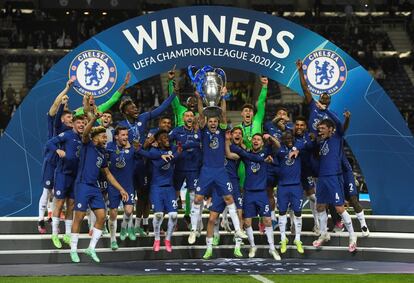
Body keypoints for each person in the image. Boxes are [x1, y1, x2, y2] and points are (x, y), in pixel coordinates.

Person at [191, 87, 247, 259]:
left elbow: (223, 115)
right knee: (198, 199)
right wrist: (200, 99)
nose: (213, 123)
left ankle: (238, 230)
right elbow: (201, 115)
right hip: (207, 169)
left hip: (220, 171)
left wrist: (223, 97)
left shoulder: (223, 131)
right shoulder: (204, 131)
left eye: (215, 121)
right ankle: (194, 230)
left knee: (230, 199)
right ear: (207, 123)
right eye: (211, 122)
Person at [70, 114, 128, 263]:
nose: (105, 139)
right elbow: (85, 133)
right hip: (82, 185)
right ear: (95, 138)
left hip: (94, 187)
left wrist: (121, 189)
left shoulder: (102, 153)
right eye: (103, 137)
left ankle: (91, 248)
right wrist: (93, 119)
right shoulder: (87, 144)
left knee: (102, 217)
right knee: (79, 217)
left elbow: (108, 174)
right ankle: (73, 250)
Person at [117, 88, 176, 236]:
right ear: (125, 111)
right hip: (129, 163)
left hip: (143, 162)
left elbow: (161, 108)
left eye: (136, 106)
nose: (135, 108)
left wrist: (173, 94)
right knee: (130, 195)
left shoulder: (143, 118)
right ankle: (127, 226)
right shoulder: (121, 125)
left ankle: (140, 225)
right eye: (132, 108)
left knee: (143, 195)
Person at [311, 106, 357, 253]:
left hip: (334, 177)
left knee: (339, 208)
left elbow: (339, 124)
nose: (320, 130)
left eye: (323, 128)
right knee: (320, 207)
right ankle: (324, 234)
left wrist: (327, 111)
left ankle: (352, 236)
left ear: (331, 129)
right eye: (319, 128)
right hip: (322, 178)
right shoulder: (321, 142)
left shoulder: (337, 137)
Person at [229, 134, 281, 260]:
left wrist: (270, 137)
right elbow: (232, 149)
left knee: (268, 221)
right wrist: (236, 141)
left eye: (259, 139)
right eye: (254, 139)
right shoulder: (246, 155)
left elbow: (278, 146)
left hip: (262, 193)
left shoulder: (265, 152)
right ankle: (253, 246)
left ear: (262, 143)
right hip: (248, 193)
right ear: (251, 142)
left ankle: (272, 248)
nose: (256, 141)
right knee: (247, 222)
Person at [137, 130, 183, 252]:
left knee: (173, 215)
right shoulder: (154, 152)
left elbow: (180, 151)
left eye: (167, 137)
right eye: (163, 137)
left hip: (169, 188)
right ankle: (157, 239)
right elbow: (157, 164)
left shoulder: (171, 148)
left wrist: (177, 152)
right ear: (158, 141)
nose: (167, 139)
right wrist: (167, 157)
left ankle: (167, 239)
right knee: (158, 215)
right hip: (156, 187)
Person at [37, 80, 73, 233]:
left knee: (57, 193)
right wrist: (66, 89)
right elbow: (55, 104)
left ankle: (52, 217)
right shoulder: (54, 120)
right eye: (63, 107)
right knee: (47, 190)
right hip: (52, 160)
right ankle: (40, 220)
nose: (64, 106)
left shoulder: (71, 127)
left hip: (63, 163)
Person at [106, 126, 138, 250]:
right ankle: (113, 239)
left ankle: (124, 226)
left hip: (128, 185)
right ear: (116, 136)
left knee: (129, 211)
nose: (125, 137)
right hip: (113, 186)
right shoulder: (110, 147)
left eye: (126, 135)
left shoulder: (133, 148)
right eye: (123, 135)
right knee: (113, 213)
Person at [274, 131, 306, 255]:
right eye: (286, 138)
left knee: (298, 213)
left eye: (290, 137)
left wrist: (297, 149)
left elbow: (307, 144)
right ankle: (283, 239)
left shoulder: (299, 149)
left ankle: (298, 239)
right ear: (283, 139)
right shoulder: (280, 152)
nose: (289, 139)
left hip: (296, 186)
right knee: (282, 212)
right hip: (282, 186)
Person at [169, 110, 202, 228]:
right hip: (179, 167)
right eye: (187, 115)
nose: (189, 117)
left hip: (193, 168)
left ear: (194, 118)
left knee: (193, 195)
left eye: (191, 116)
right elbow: (167, 141)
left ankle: (194, 223)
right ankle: (173, 221)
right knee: (175, 194)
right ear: (183, 118)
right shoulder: (177, 130)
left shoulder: (199, 132)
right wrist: (175, 149)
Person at [294, 116, 319, 234]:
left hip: (306, 172)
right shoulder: (290, 137)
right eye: (297, 125)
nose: (299, 127)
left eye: (301, 125)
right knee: (292, 199)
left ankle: (317, 224)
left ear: (305, 127)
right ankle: (293, 225)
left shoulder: (310, 137)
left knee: (313, 198)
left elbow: (313, 148)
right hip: (292, 173)